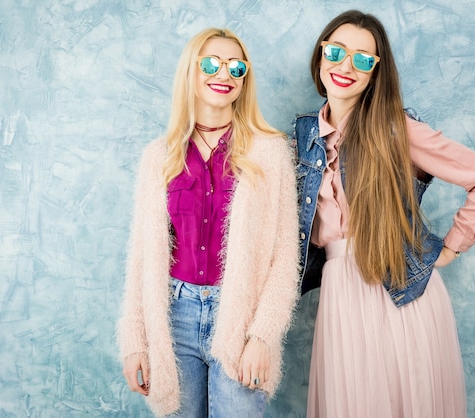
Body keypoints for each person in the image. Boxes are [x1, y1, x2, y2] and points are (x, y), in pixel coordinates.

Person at [293, 10, 475, 418]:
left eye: (363, 58)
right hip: (339, 295)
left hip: (401, 293)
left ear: (375, 72)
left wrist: (452, 249)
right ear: (321, 55)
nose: (345, 66)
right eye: (336, 51)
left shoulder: (397, 128)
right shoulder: (302, 137)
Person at [117, 27, 300, 417]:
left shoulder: (270, 152)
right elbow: (141, 259)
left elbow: (285, 257)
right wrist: (135, 340)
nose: (225, 74)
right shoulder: (160, 155)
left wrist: (262, 336)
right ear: (191, 70)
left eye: (237, 67)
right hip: (174, 318)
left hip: (241, 314)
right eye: (212, 64)